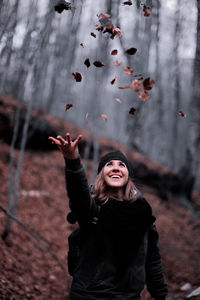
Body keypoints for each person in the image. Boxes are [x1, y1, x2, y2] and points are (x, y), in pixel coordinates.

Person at [48, 132, 168, 300]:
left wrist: (160, 295)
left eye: (122, 165)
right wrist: (72, 160)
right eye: (109, 164)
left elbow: (152, 259)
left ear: (127, 174)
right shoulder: (93, 209)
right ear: (102, 174)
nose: (116, 168)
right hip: (89, 295)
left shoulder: (142, 213)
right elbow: (78, 195)